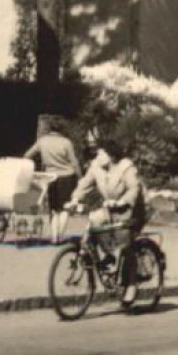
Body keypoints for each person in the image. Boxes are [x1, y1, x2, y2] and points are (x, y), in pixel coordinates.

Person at [67, 136, 146, 304]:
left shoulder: (126, 167)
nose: (97, 157)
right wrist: (74, 199)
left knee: (125, 245)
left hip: (131, 211)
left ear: (111, 155)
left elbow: (134, 189)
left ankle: (131, 284)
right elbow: (84, 184)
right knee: (94, 221)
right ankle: (106, 260)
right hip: (110, 209)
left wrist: (122, 201)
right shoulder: (97, 167)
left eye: (101, 154)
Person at [21, 114, 81, 243]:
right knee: (65, 208)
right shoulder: (66, 142)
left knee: (54, 209)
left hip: (50, 178)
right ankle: (60, 235)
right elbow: (74, 162)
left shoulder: (43, 141)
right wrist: (80, 176)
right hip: (67, 177)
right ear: (62, 130)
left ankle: (54, 237)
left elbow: (27, 155)